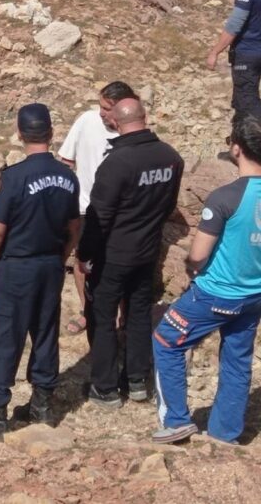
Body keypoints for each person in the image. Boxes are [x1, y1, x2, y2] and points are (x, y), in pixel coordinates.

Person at [0, 103, 81, 438]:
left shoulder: (13, 178)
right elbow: (74, 227)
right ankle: (42, 405)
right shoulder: (67, 177)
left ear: (20, 133)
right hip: (50, 265)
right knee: (45, 333)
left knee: (4, 338)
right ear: (51, 132)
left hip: (17, 267)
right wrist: (61, 257)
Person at [152, 115, 261, 444]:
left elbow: (198, 255)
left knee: (167, 340)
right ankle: (225, 432)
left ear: (236, 148)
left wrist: (190, 268)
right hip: (254, 294)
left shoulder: (225, 197)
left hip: (216, 292)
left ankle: (176, 421)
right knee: (237, 358)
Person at [78, 98, 183, 407]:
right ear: (145, 117)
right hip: (147, 250)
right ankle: (138, 380)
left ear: (115, 123)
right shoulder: (170, 157)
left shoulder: (117, 163)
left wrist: (85, 255)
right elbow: (168, 205)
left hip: (113, 255)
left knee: (102, 316)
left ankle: (106, 388)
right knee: (138, 314)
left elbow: (99, 218)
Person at [58, 81, 139, 335]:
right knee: (83, 263)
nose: (102, 113)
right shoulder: (86, 120)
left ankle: (123, 316)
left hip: (120, 212)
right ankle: (88, 312)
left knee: (121, 266)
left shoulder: (132, 132)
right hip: (85, 208)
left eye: (108, 108)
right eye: (101, 106)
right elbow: (66, 160)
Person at [206, 0, 261, 120]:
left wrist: (215, 51)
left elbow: (235, 24)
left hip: (248, 52)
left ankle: (252, 142)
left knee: (247, 100)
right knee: (242, 101)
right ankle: (240, 138)